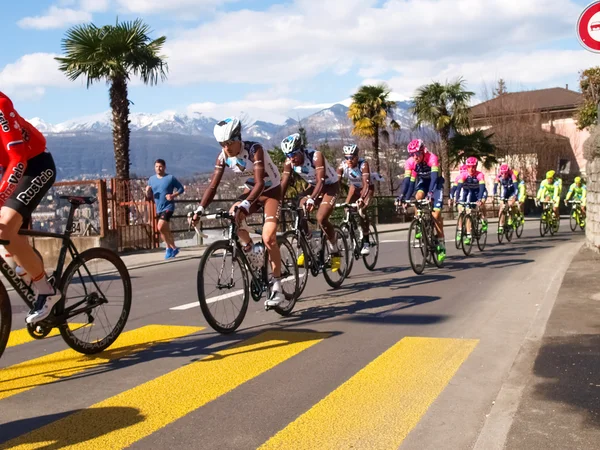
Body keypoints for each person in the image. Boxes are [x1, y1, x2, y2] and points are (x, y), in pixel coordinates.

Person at [191, 117, 285, 307]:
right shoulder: (223, 156)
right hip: (251, 192)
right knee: (232, 216)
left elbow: (260, 183)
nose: (226, 148)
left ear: (238, 138)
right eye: (222, 144)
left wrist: (246, 205)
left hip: (271, 191)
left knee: (269, 238)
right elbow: (212, 186)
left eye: (229, 143)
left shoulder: (254, 150)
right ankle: (252, 249)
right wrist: (200, 209)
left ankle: (277, 287)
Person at [0, 92, 59, 324]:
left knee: (4, 229)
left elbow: (19, 158)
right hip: (10, 170)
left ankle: (47, 291)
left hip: (35, 165)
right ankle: (28, 272)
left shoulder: (1, 105)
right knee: (12, 241)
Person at [279, 133, 342, 271]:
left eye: (294, 154)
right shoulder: (289, 162)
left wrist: (312, 199)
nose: (291, 158)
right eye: (288, 155)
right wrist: (278, 203)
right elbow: (283, 183)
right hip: (313, 187)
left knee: (321, 218)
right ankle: (311, 245)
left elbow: (321, 181)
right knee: (298, 210)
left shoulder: (315, 156)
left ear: (301, 150)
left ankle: (334, 249)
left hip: (330, 186)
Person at [396, 139, 446, 262]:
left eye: (417, 153)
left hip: (435, 184)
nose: (415, 157)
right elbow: (408, 183)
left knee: (436, 214)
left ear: (423, 151)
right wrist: (403, 197)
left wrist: (430, 194)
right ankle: (419, 222)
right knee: (417, 197)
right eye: (412, 154)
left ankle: (440, 243)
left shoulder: (432, 158)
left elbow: (434, 179)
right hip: (423, 183)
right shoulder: (410, 163)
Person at [336, 143, 378, 255]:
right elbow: (336, 184)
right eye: (346, 158)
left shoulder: (363, 165)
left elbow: (366, 184)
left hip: (366, 188)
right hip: (354, 187)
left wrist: (362, 198)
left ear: (357, 157)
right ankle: (354, 231)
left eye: (351, 158)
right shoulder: (342, 166)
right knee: (347, 207)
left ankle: (366, 242)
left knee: (361, 210)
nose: (349, 160)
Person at [146, 159, 185, 259]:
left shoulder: (170, 178)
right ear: (154, 168)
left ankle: (169, 248)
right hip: (159, 207)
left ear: (164, 167)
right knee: (164, 230)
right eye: (156, 167)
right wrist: (147, 192)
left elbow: (181, 189)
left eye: (160, 166)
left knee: (160, 227)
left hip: (168, 207)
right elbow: (149, 196)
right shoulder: (151, 179)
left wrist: (172, 195)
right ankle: (172, 248)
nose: (158, 168)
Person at [454, 157, 488, 245]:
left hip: (480, 192)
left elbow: (481, 189)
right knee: (465, 210)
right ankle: (467, 232)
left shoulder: (480, 175)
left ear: (476, 167)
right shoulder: (464, 175)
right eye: (469, 167)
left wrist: (480, 199)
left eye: (473, 167)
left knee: (481, 204)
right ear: (467, 167)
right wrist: (456, 199)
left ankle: (484, 219)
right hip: (470, 193)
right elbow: (458, 189)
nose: (471, 169)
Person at [494, 163, 518, 233]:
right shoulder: (499, 175)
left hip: (512, 191)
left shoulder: (512, 175)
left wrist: (515, 195)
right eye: (502, 173)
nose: (504, 175)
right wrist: (494, 193)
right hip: (505, 191)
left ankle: (511, 218)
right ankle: (501, 225)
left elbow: (516, 187)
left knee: (510, 204)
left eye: (505, 174)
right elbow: (495, 185)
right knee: (502, 207)